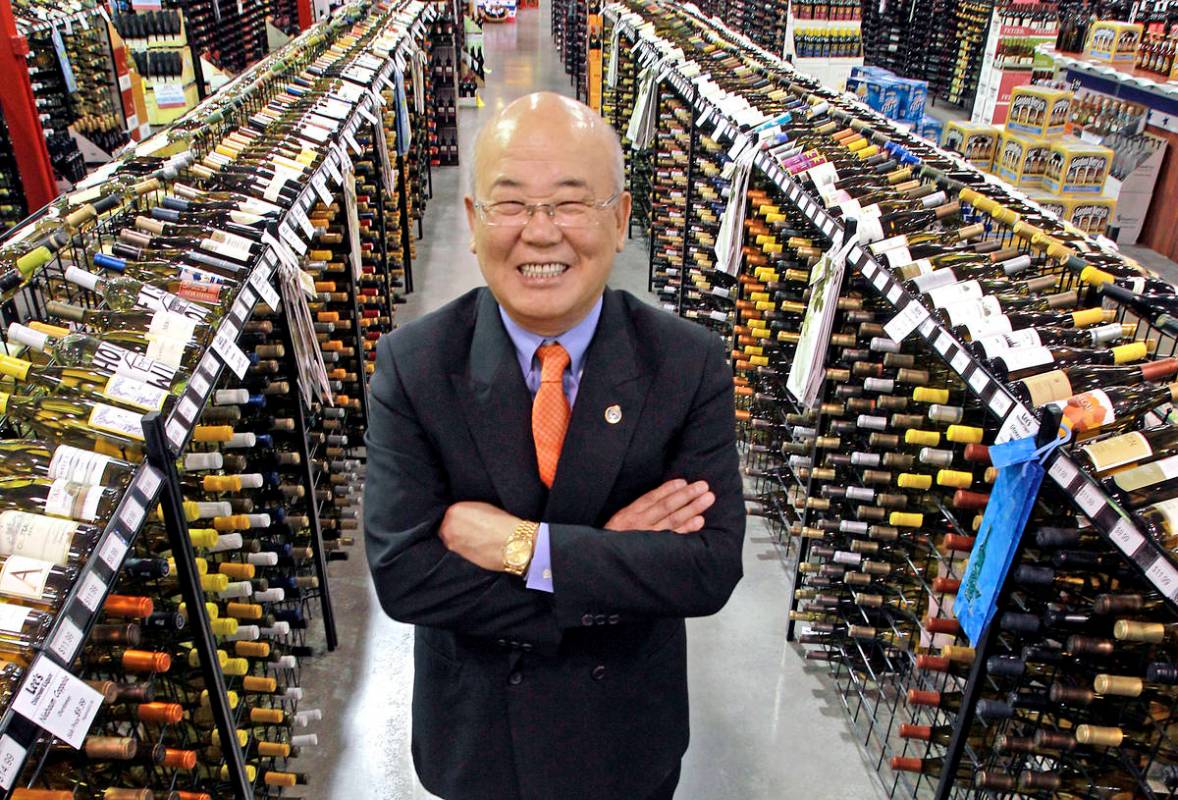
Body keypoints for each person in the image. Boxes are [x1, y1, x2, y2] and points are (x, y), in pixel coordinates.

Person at [364, 91, 746, 800]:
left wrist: (524, 548)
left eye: (571, 203)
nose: (540, 234)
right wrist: (612, 558)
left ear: (622, 218)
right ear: (474, 223)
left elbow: (708, 569)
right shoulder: (415, 365)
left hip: (626, 742)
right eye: (510, 204)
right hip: (478, 744)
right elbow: (405, 574)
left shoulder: (687, 363)